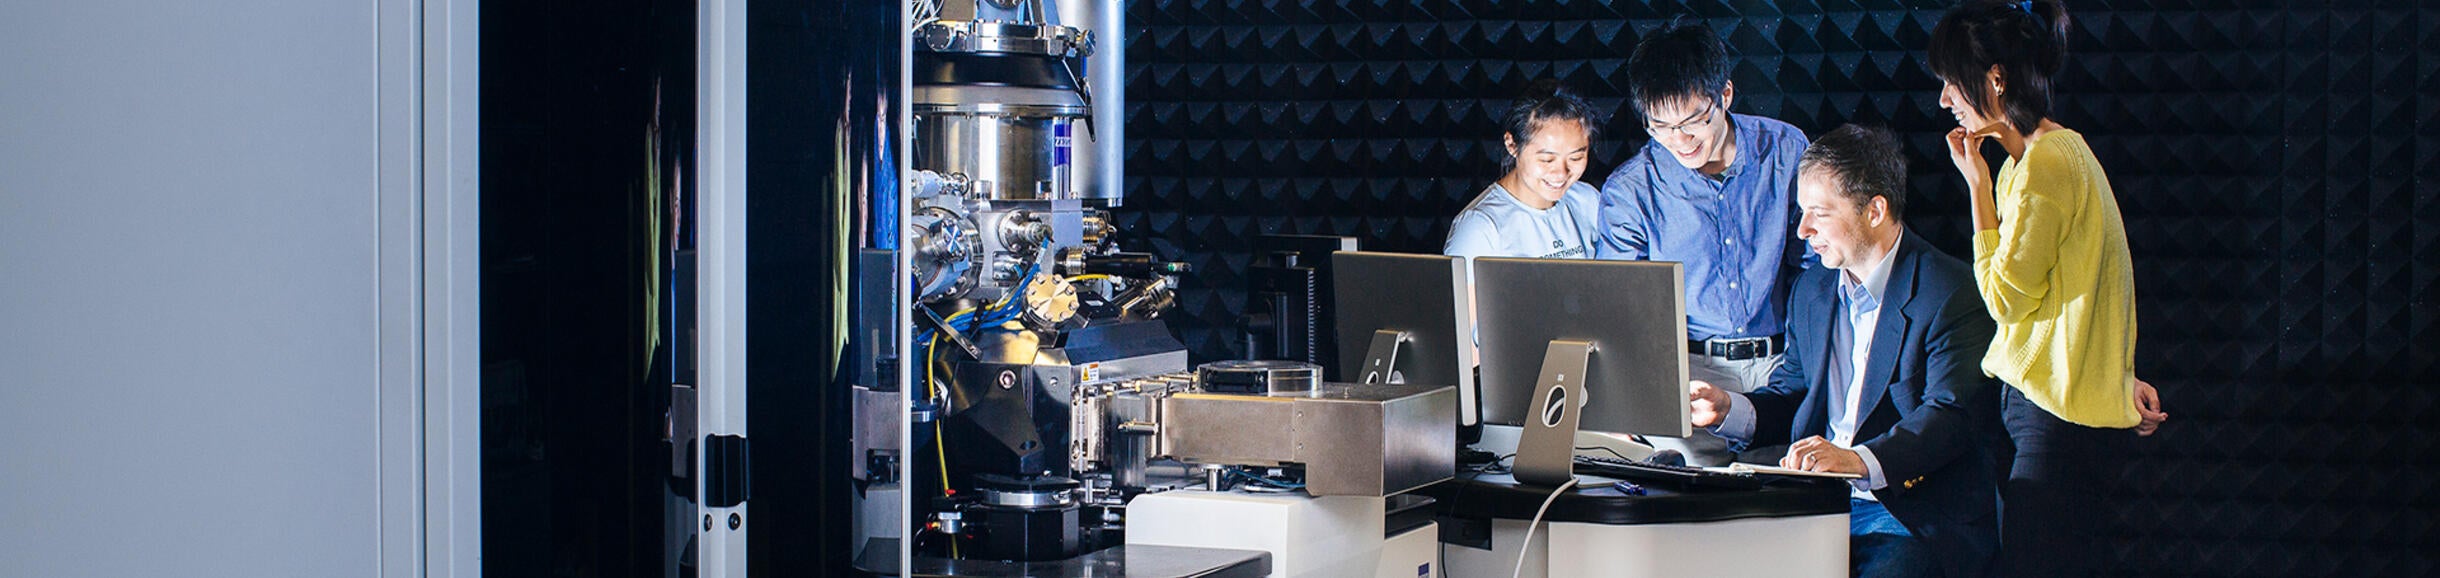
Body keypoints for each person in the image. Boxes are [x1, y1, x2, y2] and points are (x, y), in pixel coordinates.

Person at [1689, 124, 2000, 578]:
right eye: (1801, 212)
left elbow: (1951, 416)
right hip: (1818, 505)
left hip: (1913, 513)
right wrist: (1728, 410)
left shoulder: (1950, 290)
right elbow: (1795, 393)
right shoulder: (1811, 291)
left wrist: (1856, 461)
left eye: (1819, 213)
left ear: (1875, 210)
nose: (1802, 230)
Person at [1928, 1, 2169, 575]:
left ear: (1995, 78)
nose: (1944, 100)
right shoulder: (2034, 163)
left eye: (1949, 83)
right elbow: (2086, 288)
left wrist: (1976, 188)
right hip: (2046, 415)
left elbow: (2007, 300)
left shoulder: (2045, 163)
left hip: (2051, 425)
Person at [1597, 20, 1815, 466]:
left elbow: (1814, 271)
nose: (1680, 140)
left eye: (1694, 120)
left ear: (1725, 96)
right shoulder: (1631, 189)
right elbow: (1620, 306)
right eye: (1661, 126)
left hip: (1782, 370)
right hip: (1686, 375)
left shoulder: (1786, 149)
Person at [1443, 79, 1603, 261]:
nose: (1561, 173)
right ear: (1512, 145)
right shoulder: (1480, 227)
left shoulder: (1588, 200)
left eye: (1575, 158)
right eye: (1547, 159)